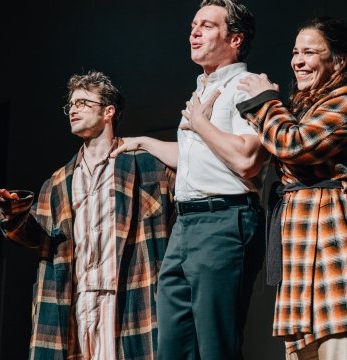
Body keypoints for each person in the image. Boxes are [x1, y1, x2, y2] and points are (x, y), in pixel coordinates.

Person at [186, 16, 347, 360]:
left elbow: (295, 145)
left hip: (341, 250)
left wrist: (265, 102)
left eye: (309, 52)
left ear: (339, 60)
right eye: (295, 52)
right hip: (303, 254)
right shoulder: (304, 106)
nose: (298, 61)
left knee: (342, 349)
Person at [112, 1, 269, 359]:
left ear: (235, 39)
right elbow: (195, 161)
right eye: (193, 25)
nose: (194, 32)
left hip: (224, 220)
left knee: (215, 346)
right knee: (173, 346)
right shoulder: (202, 89)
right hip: (185, 223)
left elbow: (247, 159)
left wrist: (199, 122)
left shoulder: (245, 87)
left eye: (208, 26)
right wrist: (143, 142)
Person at [0, 71, 175, 360]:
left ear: (108, 112)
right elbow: (37, 238)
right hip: (73, 295)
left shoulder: (145, 167)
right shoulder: (58, 181)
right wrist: (13, 212)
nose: (73, 110)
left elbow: (188, 183)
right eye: (71, 105)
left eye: (83, 103)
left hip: (127, 293)